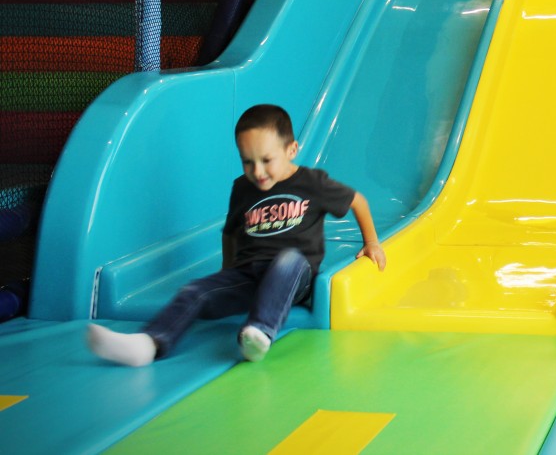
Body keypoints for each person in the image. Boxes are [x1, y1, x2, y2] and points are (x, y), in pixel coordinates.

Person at [85, 104, 386, 367]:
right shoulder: (242, 187)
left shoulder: (312, 183)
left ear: (291, 150)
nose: (257, 171)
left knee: (288, 260)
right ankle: (148, 344)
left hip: (294, 277)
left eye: (267, 160)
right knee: (195, 291)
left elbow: (358, 200)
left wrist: (371, 243)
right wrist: (227, 274)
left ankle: (260, 332)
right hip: (249, 276)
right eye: (248, 161)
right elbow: (231, 233)